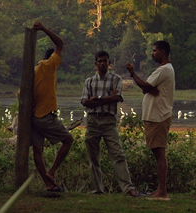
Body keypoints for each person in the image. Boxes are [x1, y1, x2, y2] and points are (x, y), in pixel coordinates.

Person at [81, 50, 143, 197]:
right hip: (92, 121)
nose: (102, 63)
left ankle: (128, 188)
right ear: (96, 64)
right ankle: (97, 189)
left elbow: (117, 98)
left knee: (118, 154)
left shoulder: (116, 79)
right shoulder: (89, 81)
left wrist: (97, 99)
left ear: (109, 63)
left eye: (105, 61)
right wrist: (107, 97)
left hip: (109, 121)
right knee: (93, 157)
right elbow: (84, 101)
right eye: (100, 61)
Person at [126, 41, 174, 201]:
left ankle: (162, 192)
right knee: (157, 153)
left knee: (159, 153)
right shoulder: (163, 70)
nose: (152, 53)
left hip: (158, 117)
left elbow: (145, 86)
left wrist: (133, 74)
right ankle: (159, 190)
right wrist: (148, 89)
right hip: (155, 117)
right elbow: (149, 88)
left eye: (154, 51)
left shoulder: (164, 69)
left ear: (163, 51)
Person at [30, 21, 73, 192]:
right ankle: (52, 172)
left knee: (37, 150)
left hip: (34, 117)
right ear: (54, 59)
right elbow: (60, 43)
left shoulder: (34, 70)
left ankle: (48, 184)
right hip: (46, 116)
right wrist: (43, 28)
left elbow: (21, 93)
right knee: (68, 140)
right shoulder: (49, 66)